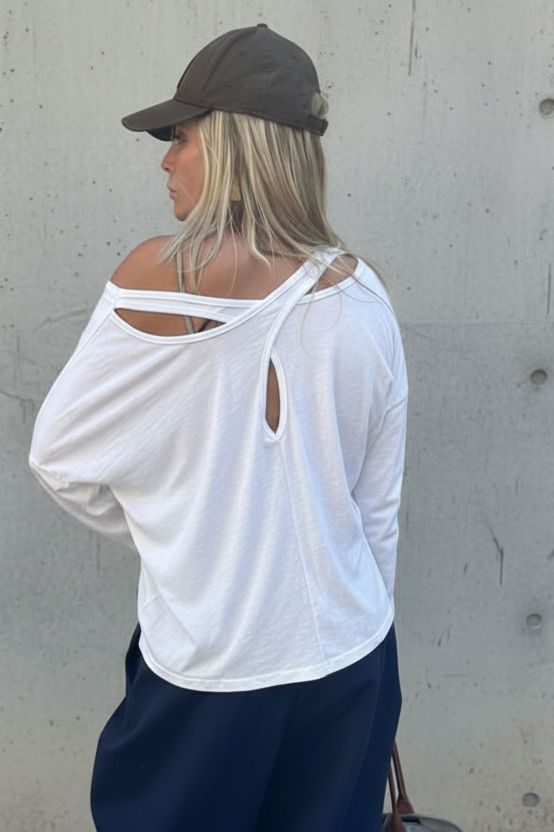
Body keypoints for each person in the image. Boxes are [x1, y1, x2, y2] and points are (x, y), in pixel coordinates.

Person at [27, 22, 409, 832]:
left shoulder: (157, 278)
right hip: (351, 663)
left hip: (211, 673)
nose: (165, 160)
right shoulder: (365, 294)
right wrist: (361, 639)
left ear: (237, 145)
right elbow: (376, 509)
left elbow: (58, 458)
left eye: (182, 136)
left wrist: (186, 540)